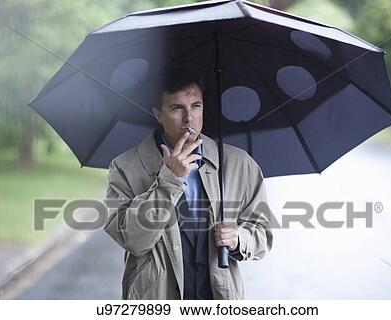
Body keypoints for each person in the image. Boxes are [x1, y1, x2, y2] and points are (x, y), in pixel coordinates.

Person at [104, 69, 273, 300]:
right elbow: (132, 240)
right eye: (177, 108)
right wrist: (169, 181)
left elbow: (262, 234)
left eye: (196, 106)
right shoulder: (125, 167)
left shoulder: (239, 164)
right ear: (158, 113)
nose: (189, 118)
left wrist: (238, 239)